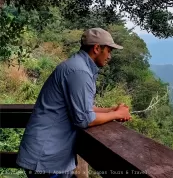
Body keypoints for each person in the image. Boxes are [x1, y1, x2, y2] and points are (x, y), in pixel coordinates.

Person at [16, 28, 132, 178]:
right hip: (46, 159)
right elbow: (84, 119)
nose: (109, 56)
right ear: (97, 48)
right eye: (109, 51)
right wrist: (117, 113)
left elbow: (84, 108)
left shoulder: (76, 66)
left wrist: (111, 110)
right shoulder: (79, 71)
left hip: (48, 156)